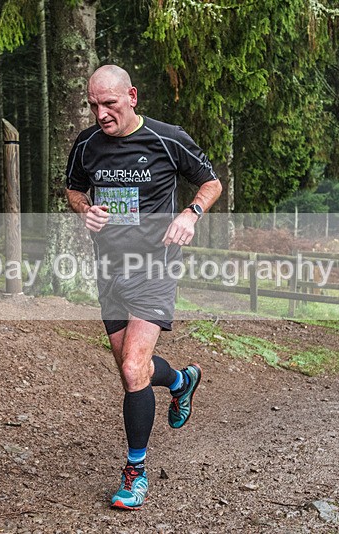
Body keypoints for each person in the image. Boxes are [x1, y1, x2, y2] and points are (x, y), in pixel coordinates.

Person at [65, 64, 222, 510]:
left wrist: (190, 213)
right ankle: (181, 380)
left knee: (134, 368)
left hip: (155, 268)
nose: (101, 114)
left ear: (131, 96)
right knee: (133, 368)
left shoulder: (167, 139)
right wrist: (85, 209)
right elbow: (73, 189)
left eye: (109, 104)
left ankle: (134, 472)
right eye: (93, 105)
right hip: (109, 272)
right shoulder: (87, 145)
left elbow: (211, 182)